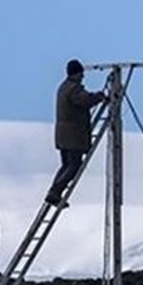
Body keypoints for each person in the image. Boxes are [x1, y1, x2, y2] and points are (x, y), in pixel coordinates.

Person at [46, 59, 108, 206]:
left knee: (66, 165)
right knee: (74, 166)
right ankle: (55, 192)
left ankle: (54, 191)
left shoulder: (63, 87)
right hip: (73, 136)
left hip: (63, 135)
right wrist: (100, 97)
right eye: (81, 74)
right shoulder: (73, 90)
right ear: (76, 73)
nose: (83, 77)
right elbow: (85, 100)